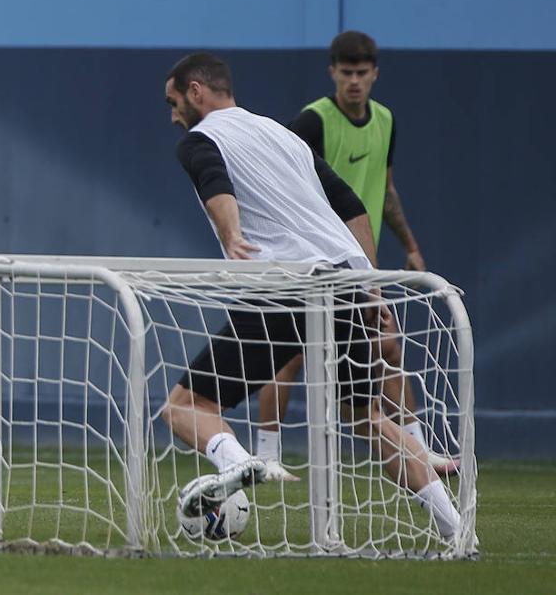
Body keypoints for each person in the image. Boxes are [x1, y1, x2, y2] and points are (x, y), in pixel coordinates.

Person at [159, 53, 461, 542]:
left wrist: (232, 235)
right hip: (344, 285)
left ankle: (239, 463)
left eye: (174, 103)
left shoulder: (200, 139)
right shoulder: (284, 134)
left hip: (286, 287)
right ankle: (456, 530)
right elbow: (350, 204)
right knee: (368, 416)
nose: (173, 116)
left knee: (183, 405)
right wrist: (371, 283)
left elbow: (215, 182)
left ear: (196, 92)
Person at [253, 31, 455, 474]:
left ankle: (418, 450)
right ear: (333, 73)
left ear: (375, 74)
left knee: (390, 350)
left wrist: (412, 246)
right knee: (289, 354)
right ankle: (266, 455)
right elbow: (283, 190)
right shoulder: (313, 123)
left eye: (362, 73)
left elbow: (385, 191)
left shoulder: (386, 120)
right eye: (346, 73)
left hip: (360, 264)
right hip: (312, 261)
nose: (354, 81)